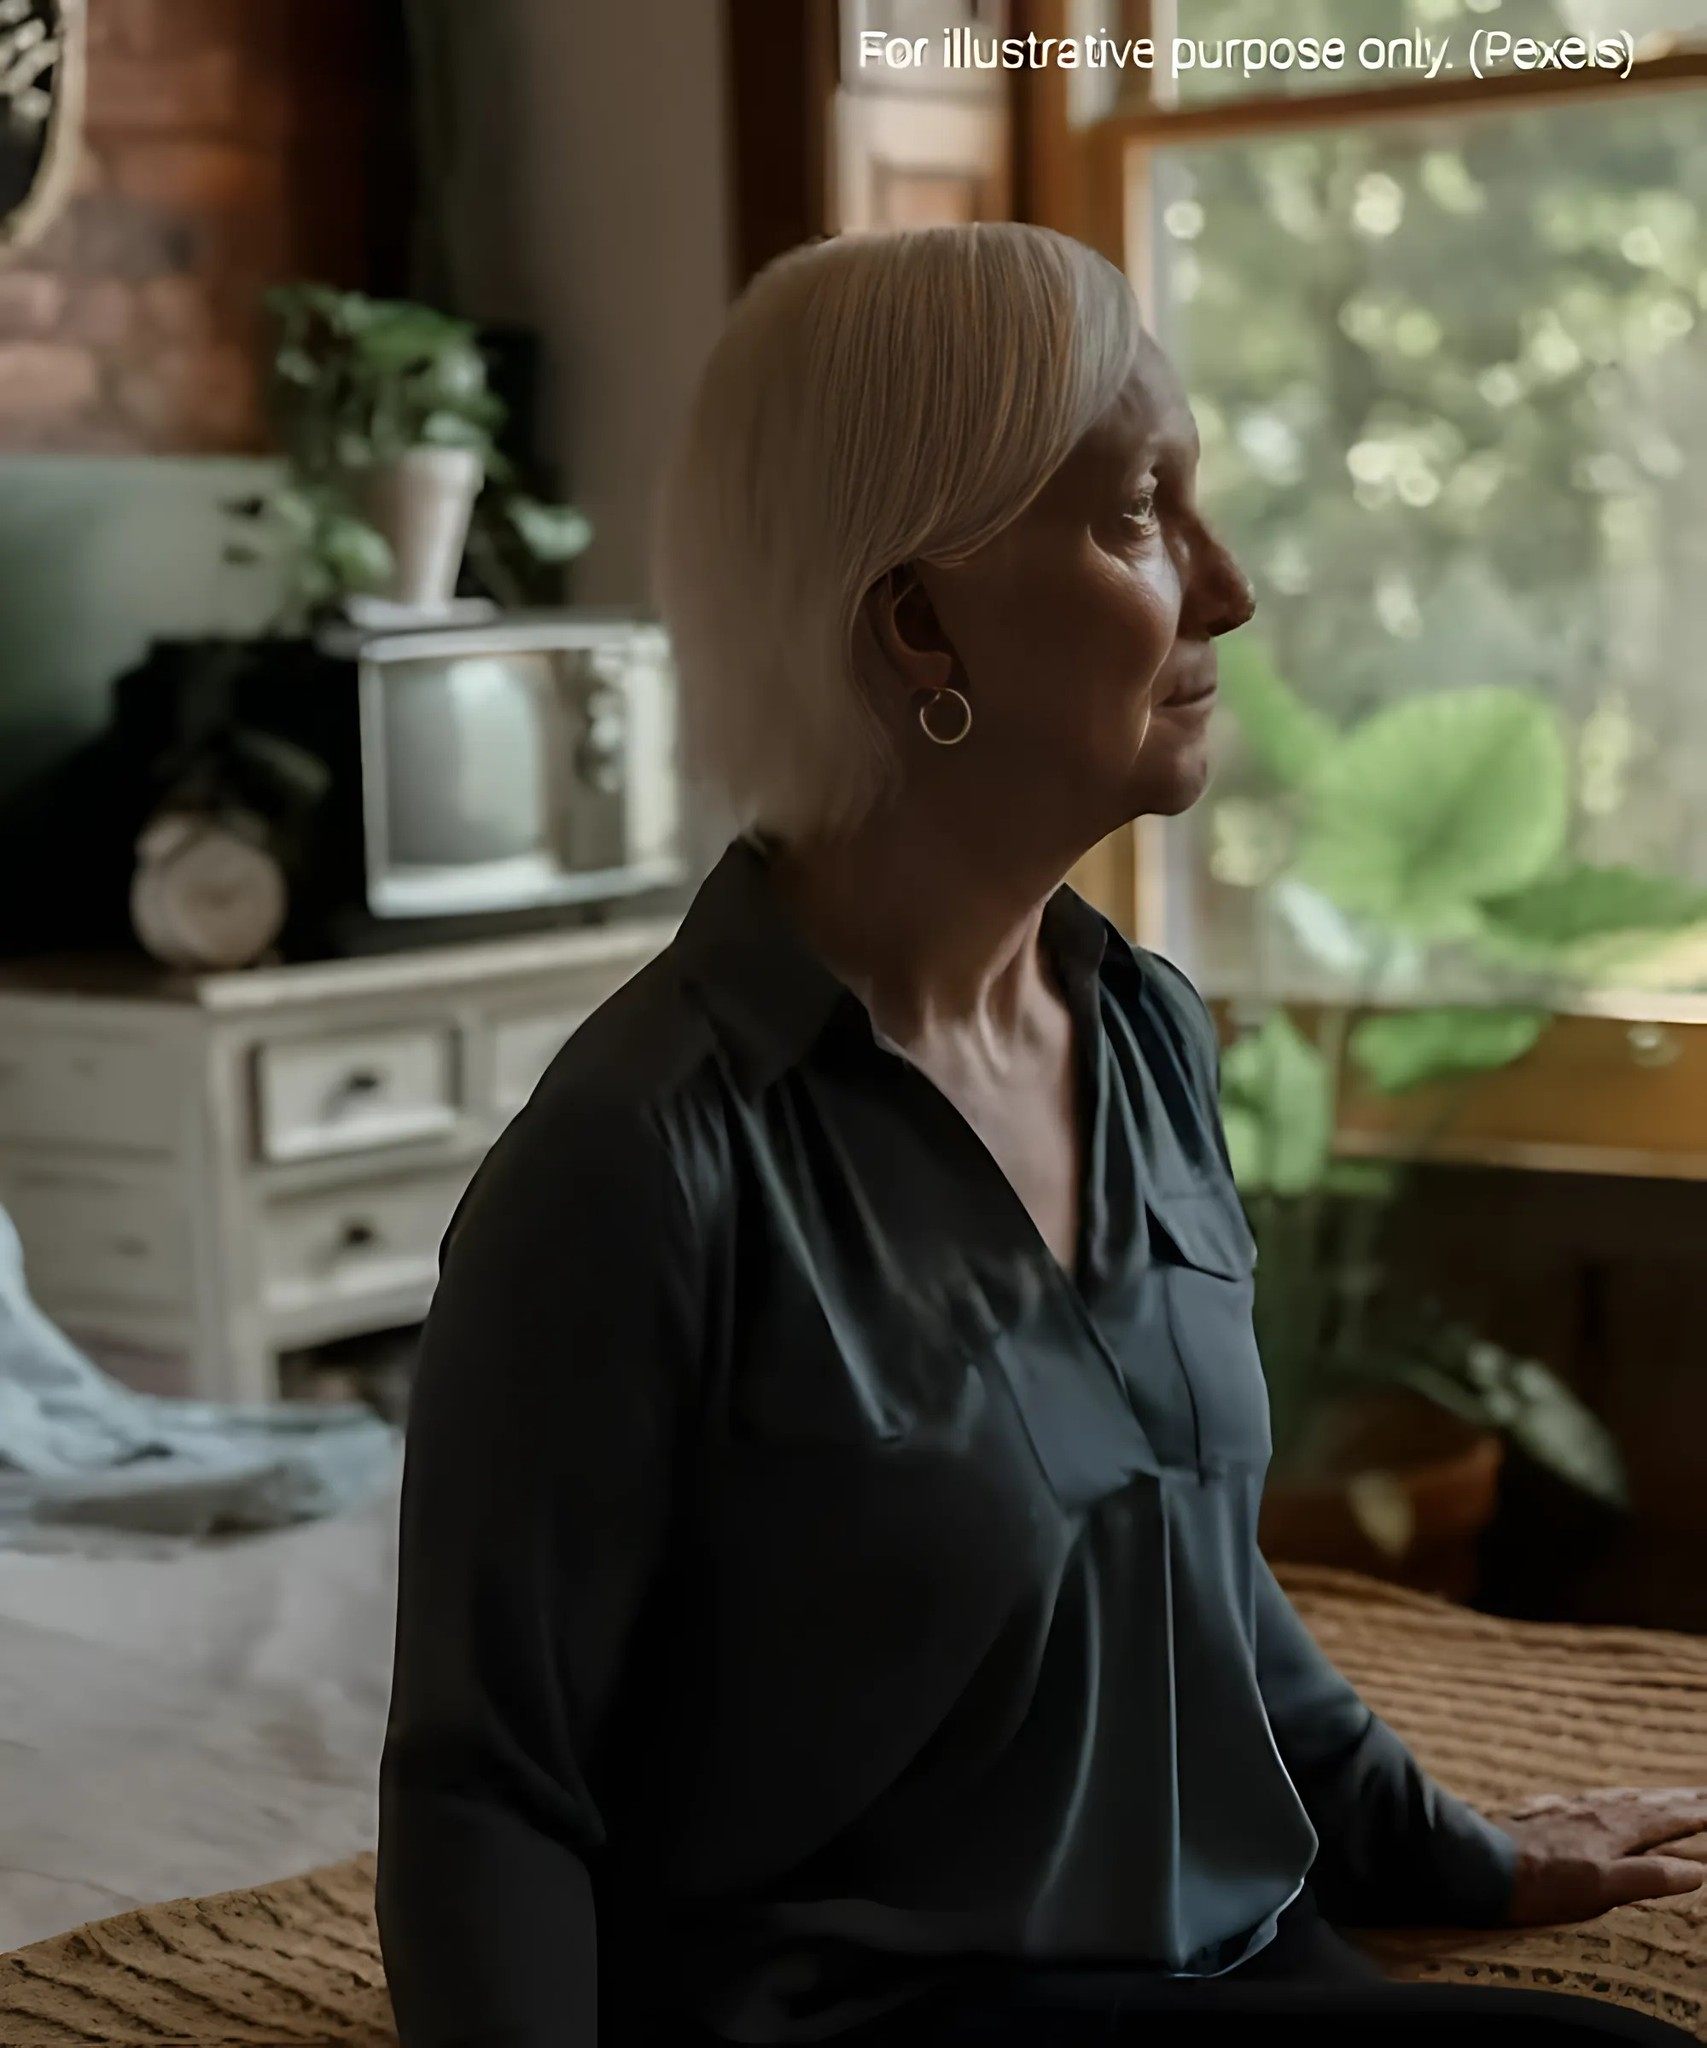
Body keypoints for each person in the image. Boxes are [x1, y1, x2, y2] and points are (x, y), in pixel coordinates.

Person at [375, 223, 1707, 2048]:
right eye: (1141, 514)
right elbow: (486, 1792)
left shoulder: (1144, 1037)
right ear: (916, 621)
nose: (1227, 588)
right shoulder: (639, 1161)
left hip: (1230, 1964)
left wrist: (1461, 1854)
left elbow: (1192, 1582)